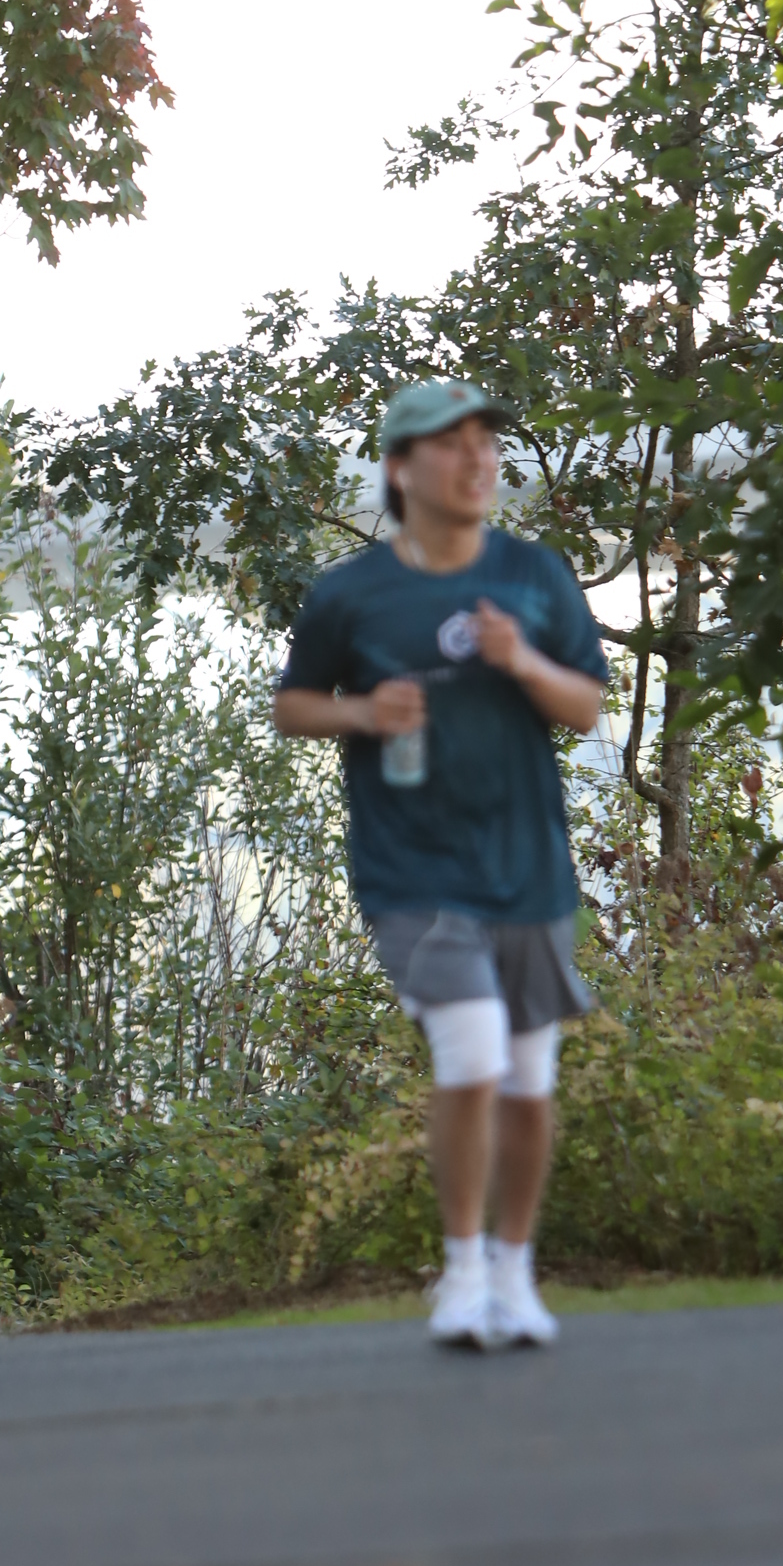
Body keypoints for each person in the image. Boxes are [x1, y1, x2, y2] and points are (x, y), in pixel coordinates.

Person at [274, 379, 609, 1350]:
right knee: (471, 1053)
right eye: (452, 444)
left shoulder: (533, 575)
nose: (477, 460)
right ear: (399, 467)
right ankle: (460, 1276)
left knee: (528, 1082)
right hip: (411, 871)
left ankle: (513, 1272)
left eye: (485, 443)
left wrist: (521, 660)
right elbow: (293, 705)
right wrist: (361, 711)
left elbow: (585, 707)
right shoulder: (350, 592)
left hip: (527, 869)